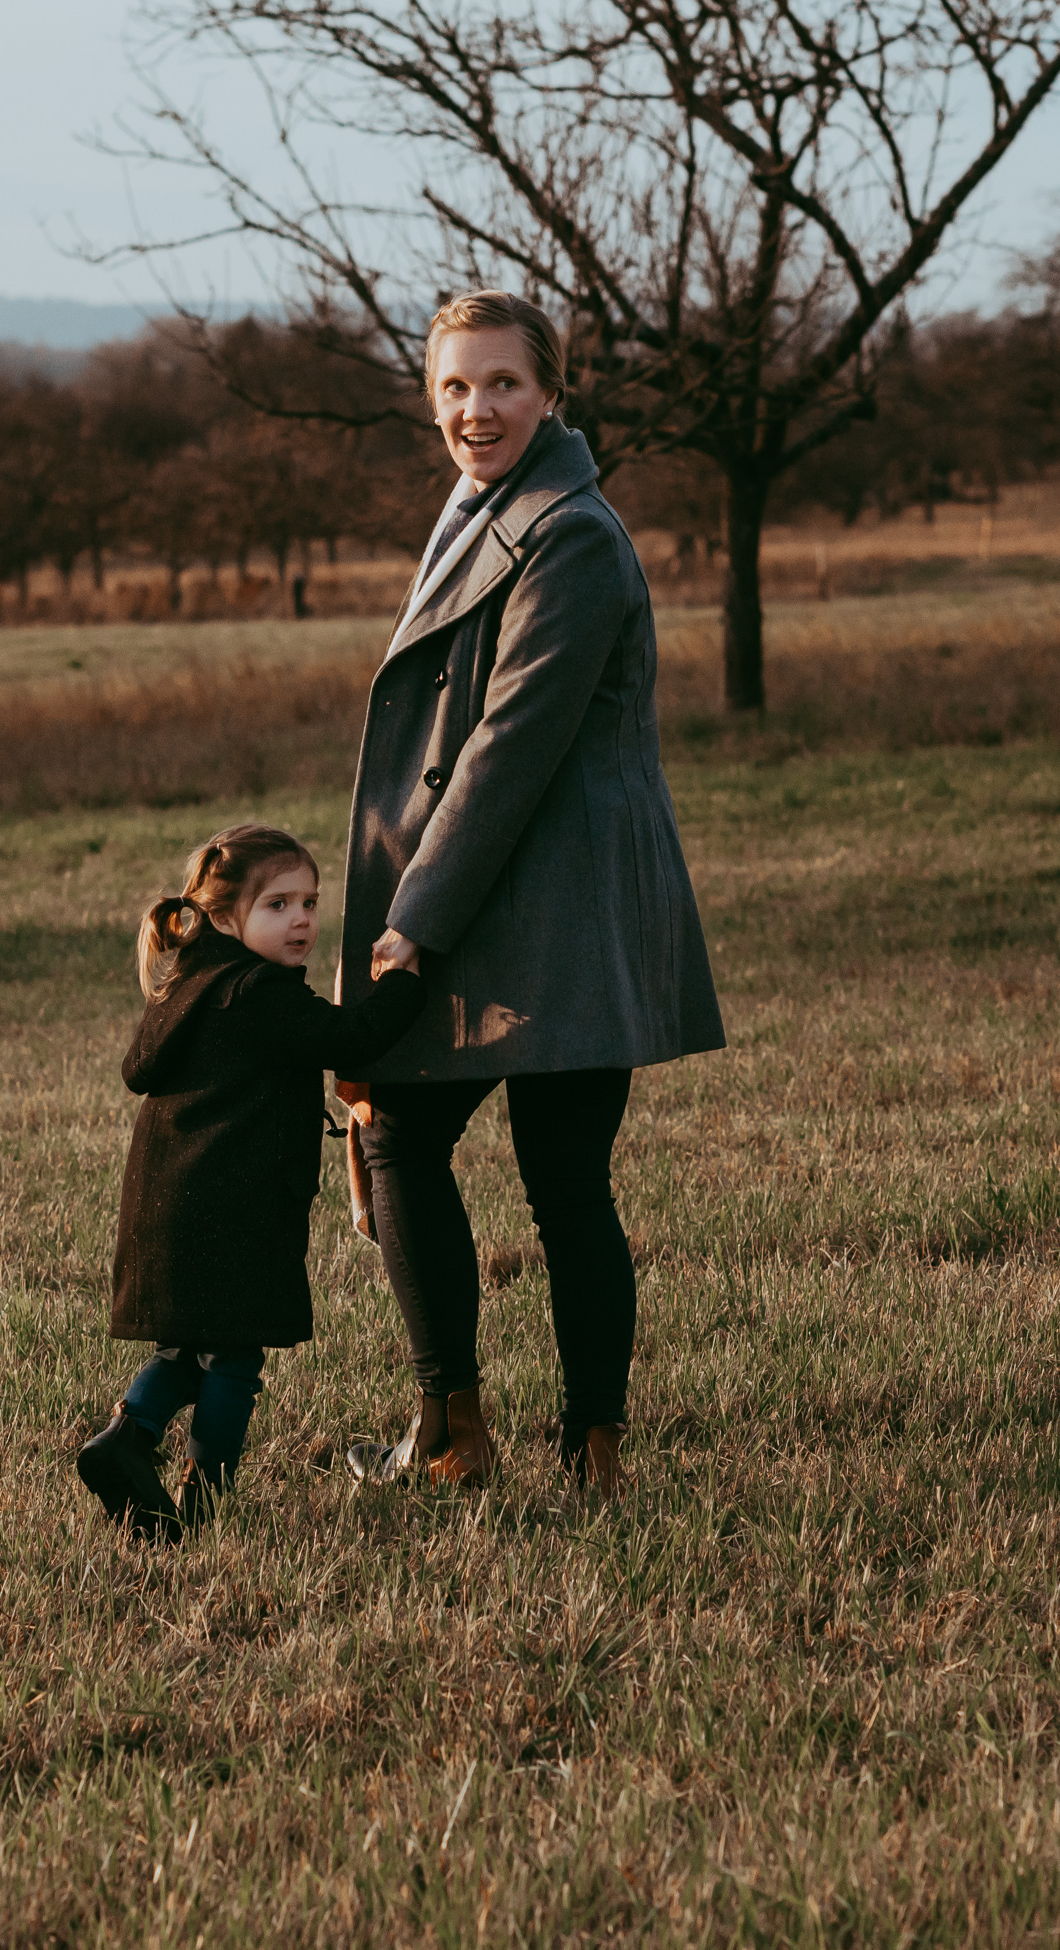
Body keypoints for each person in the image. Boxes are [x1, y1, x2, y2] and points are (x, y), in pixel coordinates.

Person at [339, 289, 725, 1499]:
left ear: (552, 392)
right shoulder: (478, 508)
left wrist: (410, 927)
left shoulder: (569, 532)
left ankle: (582, 1450)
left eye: (502, 384)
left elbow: (507, 749)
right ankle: (459, 1428)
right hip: (497, 892)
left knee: (543, 1176)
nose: (475, 409)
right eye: (453, 387)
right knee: (410, 1139)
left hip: (553, 907)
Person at [77, 823, 424, 1542]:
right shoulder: (260, 991)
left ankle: (128, 1436)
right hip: (232, 1209)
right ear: (225, 917)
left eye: (308, 902)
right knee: (233, 1354)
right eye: (277, 904)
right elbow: (350, 1040)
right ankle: (204, 1499)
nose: (300, 919)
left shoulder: (185, 983)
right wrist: (403, 983)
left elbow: (138, 1069)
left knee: (186, 1347)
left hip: (167, 1203)